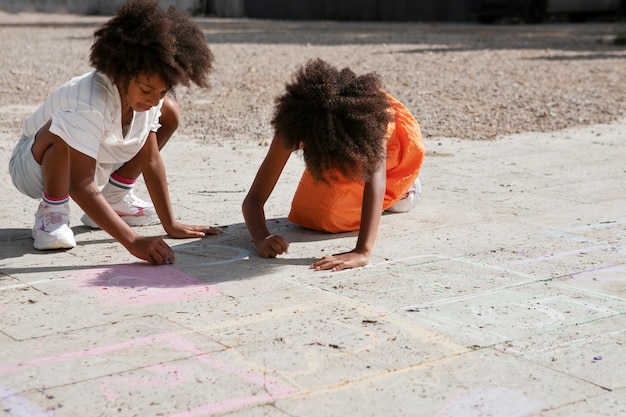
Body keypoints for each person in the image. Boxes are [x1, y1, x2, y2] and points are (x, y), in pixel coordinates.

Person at [9, 0, 221, 265]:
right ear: (123, 74)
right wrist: (132, 241)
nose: (154, 100)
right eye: (147, 90)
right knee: (64, 127)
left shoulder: (146, 97)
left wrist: (171, 225)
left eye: (162, 90)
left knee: (170, 112)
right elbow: (81, 184)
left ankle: (116, 198)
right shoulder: (88, 101)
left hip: (90, 156)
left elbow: (151, 157)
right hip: (32, 165)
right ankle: (52, 211)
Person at [242, 58, 426, 272]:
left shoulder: (370, 124)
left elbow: (376, 181)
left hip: (392, 160)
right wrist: (262, 237)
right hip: (349, 149)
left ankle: (405, 189)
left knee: (361, 205)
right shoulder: (294, 127)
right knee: (319, 217)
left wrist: (362, 251)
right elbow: (253, 201)